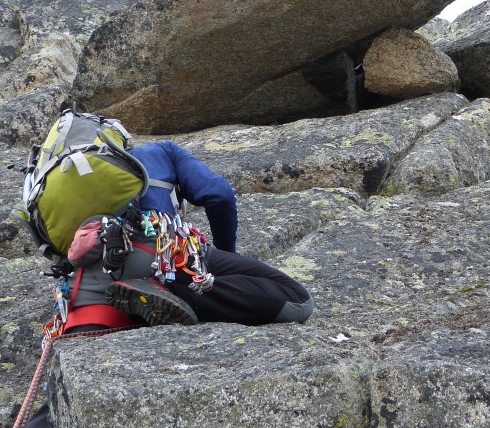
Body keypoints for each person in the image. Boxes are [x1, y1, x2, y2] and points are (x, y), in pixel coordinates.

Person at [23, 140, 312, 427]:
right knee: (297, 300)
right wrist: (214, 264)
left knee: (62, 403)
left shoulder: (56, 182)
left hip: (89, 288)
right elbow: (219, 195)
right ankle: (174, 292)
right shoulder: (161, 152)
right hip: (164, 257)